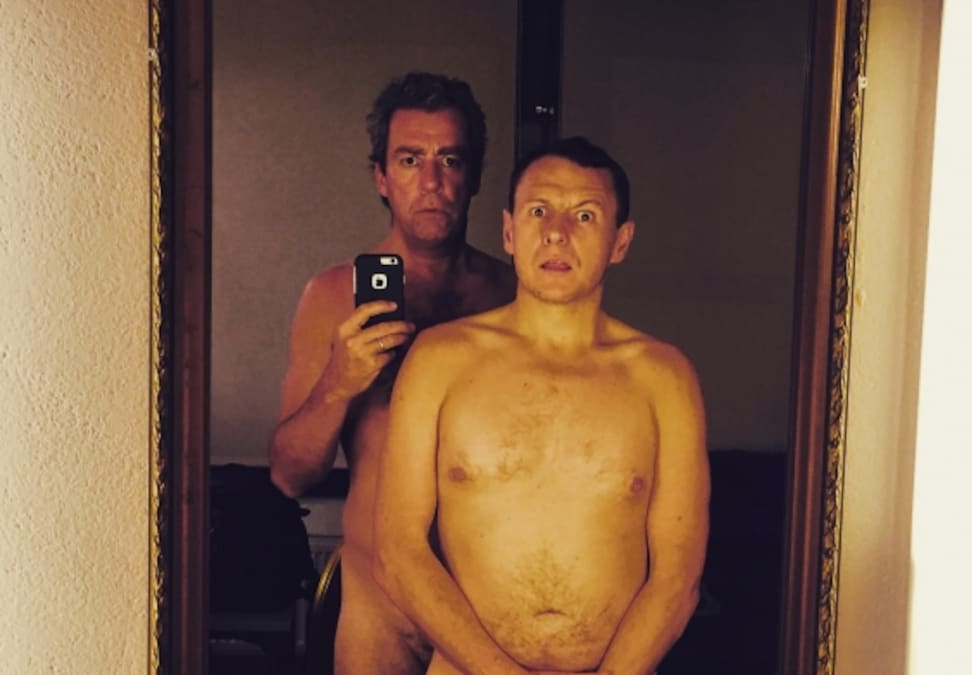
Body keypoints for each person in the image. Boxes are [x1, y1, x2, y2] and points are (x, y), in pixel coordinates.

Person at [373, 137, 710, 675]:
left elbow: (678, 577)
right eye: (538, 211)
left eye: (585, 214)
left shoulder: (663, 377)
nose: (556, 232)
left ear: (620, 241)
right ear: (509, 231)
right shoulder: (440, 360)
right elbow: (398, 550)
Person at [268, 72, 515, 674]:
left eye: (449, 160)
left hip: (492, 604)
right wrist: (339, 382)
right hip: (378, 608)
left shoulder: (515, 294)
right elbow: (290, 475)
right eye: (410, 160)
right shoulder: (334, 296)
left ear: (474, 175)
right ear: (381, 176)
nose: (431, 182)